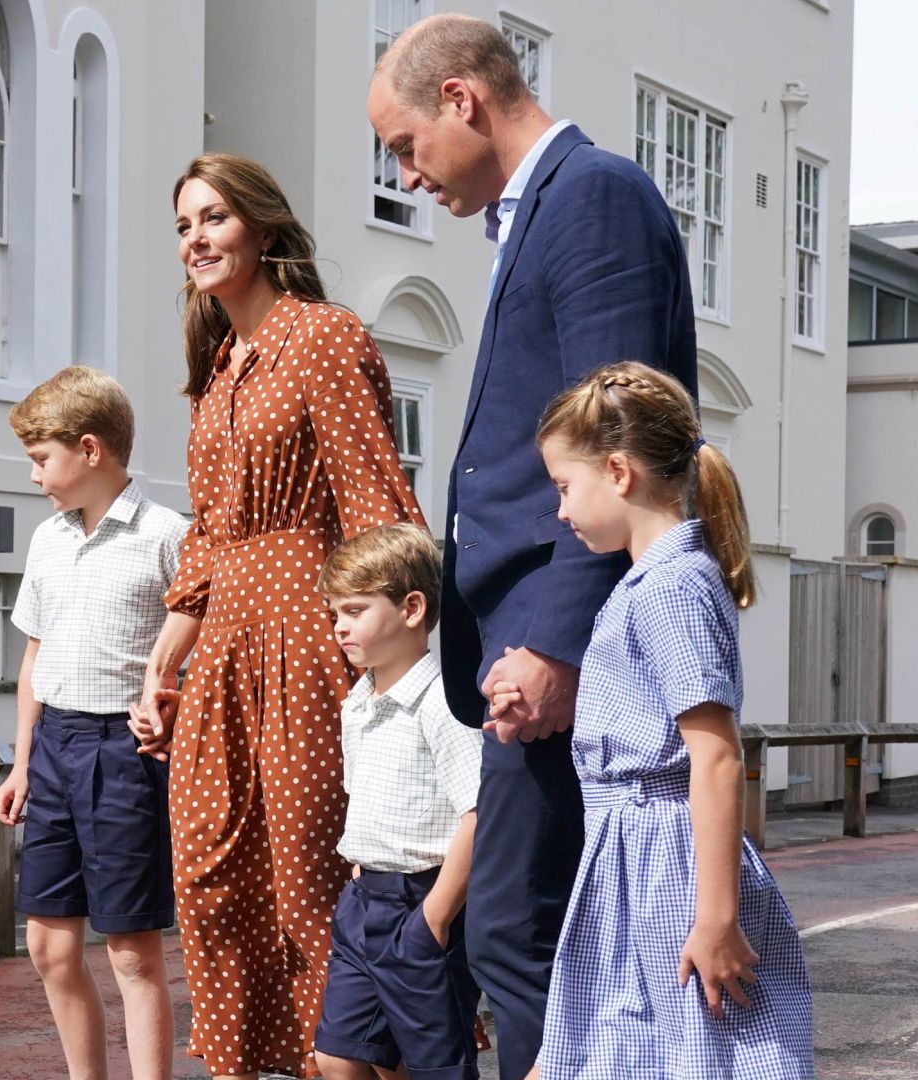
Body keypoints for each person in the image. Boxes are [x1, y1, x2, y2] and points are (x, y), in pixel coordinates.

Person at [367, 13, 698, 1076]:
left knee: (521, 929)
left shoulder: (592, 196)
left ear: (462, 98)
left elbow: (619, 449)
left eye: (407, 147)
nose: (409, 178)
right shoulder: (540, 213)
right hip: (518, 632)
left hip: (558, 633)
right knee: (518, 930)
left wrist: (555, 643)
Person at [131, 153, 423, 1080]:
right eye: (184, 226)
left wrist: (393, 662)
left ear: (260, 227)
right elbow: (209, 544)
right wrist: (162, 666)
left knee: (307, 882)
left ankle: (347, 1062)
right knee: (212, 885)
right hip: (221, 650)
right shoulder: (216, 372)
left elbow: (376, 504)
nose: (197, 240)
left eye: (213, 218)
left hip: (308, 631)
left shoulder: (324, 337)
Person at [490, 361, 812, 1078]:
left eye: (566, 488)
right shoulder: (653, 583)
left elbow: (716, 755)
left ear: (618, 471)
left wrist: (718, 917)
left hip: (668, 867)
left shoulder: (671, 586)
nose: (562, 511)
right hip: (630, 863)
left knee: (687, 1056)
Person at [0, 365, 186, 1080]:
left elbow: (200, 651)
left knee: (133, 953)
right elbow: (34, 657)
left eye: (42, 458)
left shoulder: (169, 535)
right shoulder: (47, 540)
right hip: (52, 749)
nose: (34, 475)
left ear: (91, 448)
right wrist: (20, 762)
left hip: (124, 756)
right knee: (48, 947)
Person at [311, 523, 483, 1080]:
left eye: (356, 610)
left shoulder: (444, 704)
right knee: (339, 1055)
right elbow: (363, 798)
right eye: (335, 612)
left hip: (424, 901)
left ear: (412, 608)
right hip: (365, 902)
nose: (340, 626)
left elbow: (478, 815)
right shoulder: (356, 703)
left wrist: (434, 919)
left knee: (430, 1065)